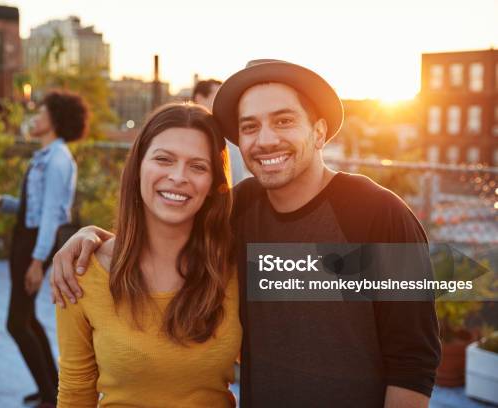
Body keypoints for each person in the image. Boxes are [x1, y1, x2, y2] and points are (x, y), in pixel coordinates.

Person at [49, 60, 441, 407]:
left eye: (284, 120)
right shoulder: (241, 211)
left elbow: (413, 362)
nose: (266, 139)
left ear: (319, 132)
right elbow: (171, 219)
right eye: (250, 127)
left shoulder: (379, 213)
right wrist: (90, 236)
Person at [55, 103, 241, 407]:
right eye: (164, 159)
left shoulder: (235, 268)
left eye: (198, 166)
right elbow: (76, 392)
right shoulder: (82, 270)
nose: (178, 176)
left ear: (213, 185)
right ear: (138, 166)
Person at [0, 90, 88, 408]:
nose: (35, 117)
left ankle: (50, 395)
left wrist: (36, 261)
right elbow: (35, 207)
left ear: (54, 119)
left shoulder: (57, 159)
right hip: (26, 240)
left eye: (41, 113)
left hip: (33, 245)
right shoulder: (44, 155)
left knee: (16, 322)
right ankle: (51, 389)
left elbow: (51, 216)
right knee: (27, 318)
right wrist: (4, 202)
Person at [192, 79, 251, 186]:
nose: (222, 103)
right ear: (199, 98)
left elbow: (237, 182)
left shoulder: (230, 140)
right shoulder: (180, 137)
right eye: (217, 97)